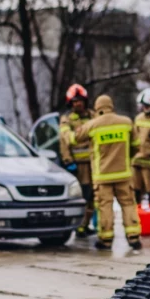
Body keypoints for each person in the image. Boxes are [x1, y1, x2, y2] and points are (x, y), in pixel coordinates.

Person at [74, 95, 142, 250]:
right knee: (128, 204)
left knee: (105, 207)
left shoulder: (93, 125)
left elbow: (75, 138)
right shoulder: (126, 122)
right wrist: (125, 158)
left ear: (97, 108)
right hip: (123, 174)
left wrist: (65, 128)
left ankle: (106, 240)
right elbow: (137, 145)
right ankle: (133, 237)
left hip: (102, 176)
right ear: (111, 106)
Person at [59, 83, 95, 238]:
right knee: (84, 195)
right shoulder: (67, 120)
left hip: (95, 163)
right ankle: (80, 226)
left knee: (94, 196)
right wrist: (68, 161)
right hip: (79, 166)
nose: (77, 104)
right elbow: (64, 142)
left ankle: (86, 225)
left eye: (79, 101)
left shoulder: (94, 116)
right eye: (74, 101)